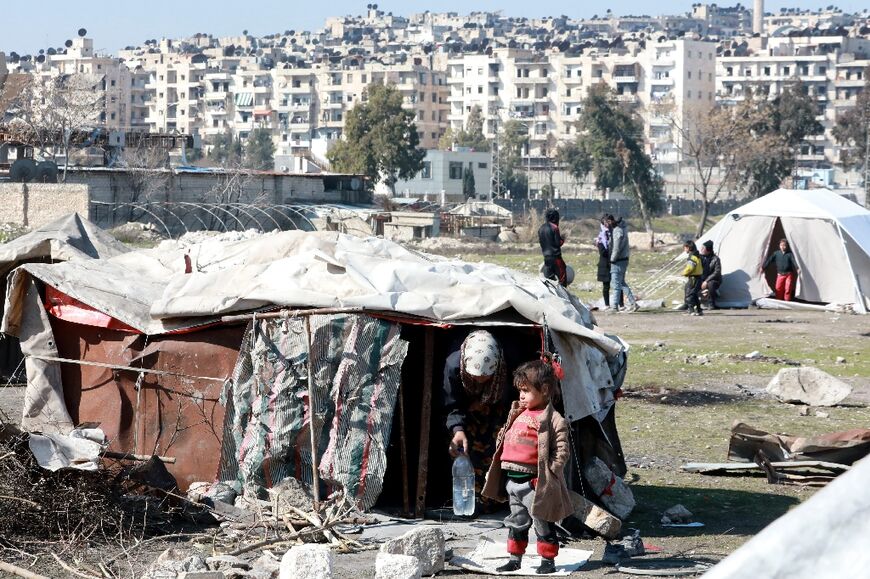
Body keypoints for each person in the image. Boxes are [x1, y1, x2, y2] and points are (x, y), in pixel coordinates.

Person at [482, 357, 573, 575]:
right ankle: (515, 558)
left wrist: (550, 472)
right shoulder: (518, 412)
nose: (521, 395)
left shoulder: (553, 419)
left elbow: (562, 449)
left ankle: (548, 560)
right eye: (520, 390)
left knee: (542, 522)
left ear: (544, 390)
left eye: (526, 390)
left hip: (534, 483)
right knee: (517, 522)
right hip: (512, 481)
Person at [444, 330, 510, 499]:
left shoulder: (507, 364)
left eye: (486, 376)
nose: (480, 380)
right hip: (464, 411)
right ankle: (467, 499)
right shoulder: (454, 366)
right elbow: (452, 402)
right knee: (462, 451)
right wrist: (457, 429)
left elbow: (513, 396)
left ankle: (492, 500)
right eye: (474, 375)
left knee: (496, 450)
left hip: (496, 410)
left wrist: (483, 403)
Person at [606, 215, 638, 312]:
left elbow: (616, 248)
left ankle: (614, 307)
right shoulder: (622, 229)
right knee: (622, 283)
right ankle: (633, 303)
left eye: (607, 222)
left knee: (615, 284)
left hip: (618, 261)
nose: (607, 224)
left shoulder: (617, 231)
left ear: (611, 221)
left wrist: (612, 259)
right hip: (623, 260)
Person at [538, 208, 567, 286]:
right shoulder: (554, 227)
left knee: (549, 281)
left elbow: (541, 242)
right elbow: (558, 243)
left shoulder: (541, 228)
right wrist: (563, 239)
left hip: (546, 258)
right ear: (555, 218)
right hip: (556, 257)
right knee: (562, 280)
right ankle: (563, 297)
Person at [681, 241, 704, 316]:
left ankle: (691, 310)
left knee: (689, 294)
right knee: (694, 294)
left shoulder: (692, 257)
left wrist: (684, 273)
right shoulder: (697, 255)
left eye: (685, 248)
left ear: (688, 248)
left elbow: (690, 268)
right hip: (698, 278)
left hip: (693, 278)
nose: (684, 249)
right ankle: (699, 310)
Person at [699, 240, 722, 309]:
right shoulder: (699, 258)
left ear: (708, 250)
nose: (701, 249)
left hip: (713, 280)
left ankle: (711, 303)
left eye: (703, 248)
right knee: (690, 284)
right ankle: (689, 302)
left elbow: (717, 272)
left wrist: (706, 281)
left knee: (711, 284)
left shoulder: (715, 259)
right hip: (701, 278)